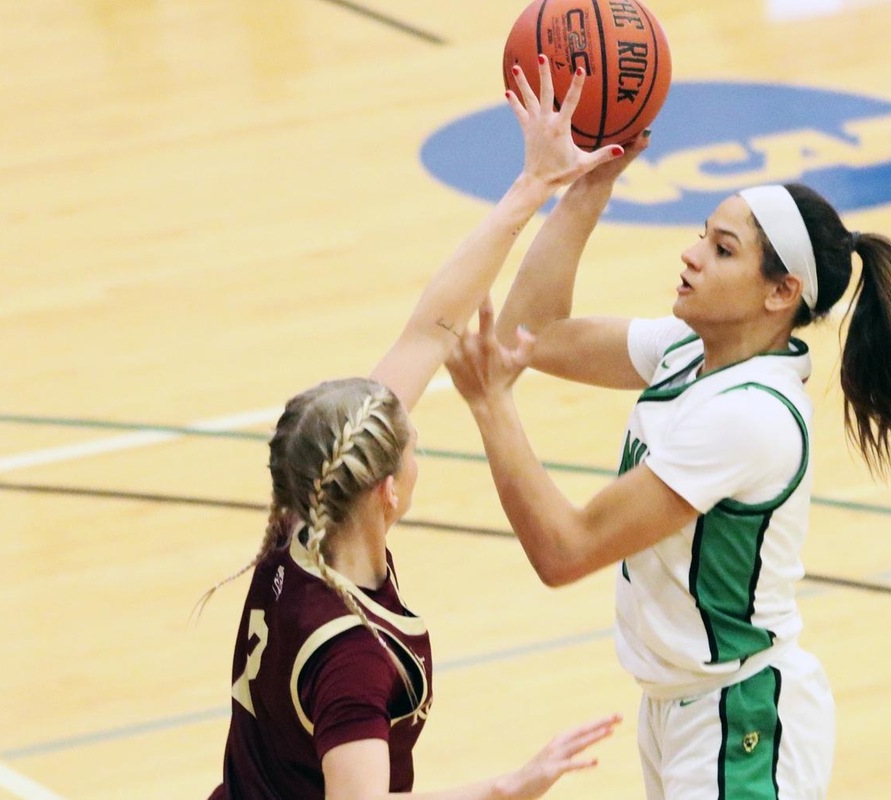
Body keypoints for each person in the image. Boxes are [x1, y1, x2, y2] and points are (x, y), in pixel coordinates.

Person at [441, 114, 891, 798]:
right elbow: (535, 333)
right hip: (684, 708)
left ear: (779, 293)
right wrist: (589, 188)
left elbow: (565, 549)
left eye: (722, 250)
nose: (691, 255)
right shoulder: (688, 350)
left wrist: (492, 407)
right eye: (702, 236)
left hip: (739, 719)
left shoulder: (747, 417)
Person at [198, 57, 629, 799]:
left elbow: (430, 330)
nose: (417, 437)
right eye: (414, 445)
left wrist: (534, 186)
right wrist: (507, 788)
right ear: (388, 493)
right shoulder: (353, 660)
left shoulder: (303, 528)